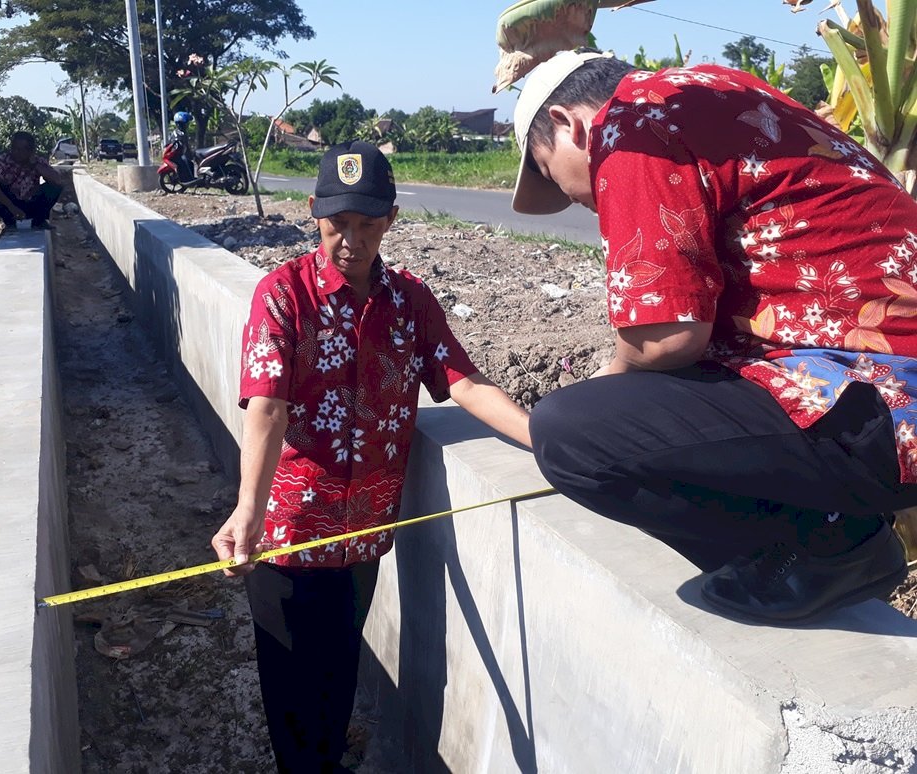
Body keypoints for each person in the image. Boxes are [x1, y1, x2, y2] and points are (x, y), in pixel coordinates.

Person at [510, 48, 917, 624]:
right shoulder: (715, 91)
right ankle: (831, 533)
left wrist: (611, 377)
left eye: (554, 175)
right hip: (882, 394)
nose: (579, 199)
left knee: (571, 433)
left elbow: (668, 338)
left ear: (568, 124)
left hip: (881, 406)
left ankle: (829, 550)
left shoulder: (631, 126)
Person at [212, 140, 531, 772]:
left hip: (364, 535)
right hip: (289, 536)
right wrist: (248, 508)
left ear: (389, 221)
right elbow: (267, 406)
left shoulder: (409, 302)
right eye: (338, 225)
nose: (350, 241)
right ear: (314, 214)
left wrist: (543, 438)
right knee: (291, 690)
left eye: (366, 224)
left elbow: (462, 382)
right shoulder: (283, 296)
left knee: (336, 675)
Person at [0, 131, 62, 229]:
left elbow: (57, 181)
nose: (16, 152)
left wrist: (36, 165)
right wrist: (11, 207)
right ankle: (10, 222)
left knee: (54, 188)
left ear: (30, 151)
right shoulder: (4, 161)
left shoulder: (38, 162)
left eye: (21, 150)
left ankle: (38, 222)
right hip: (10, 204)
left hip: (31, 203)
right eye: (14, 148)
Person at [168, 111, 196, 182]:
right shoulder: (179, 133)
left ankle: (191, 179)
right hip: (176, 154)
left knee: (190, 162)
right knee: (185, 160)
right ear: (180, 124)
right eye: (185, 123)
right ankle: (188, 180)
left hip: (179, 153)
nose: (186, 125)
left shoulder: (179, 132)